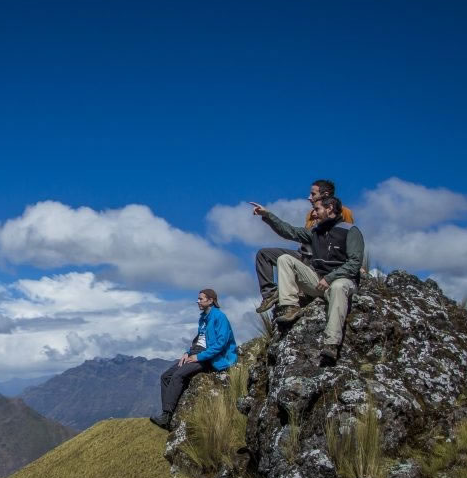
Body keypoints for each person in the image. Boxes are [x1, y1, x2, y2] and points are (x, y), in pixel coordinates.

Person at [249, 195, 364, 364]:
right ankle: (290, 307)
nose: (314, 214)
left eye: (317, 210)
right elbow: (288, 231)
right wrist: (267, 215)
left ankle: (331, 344)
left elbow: (355, 263)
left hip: (343, 280)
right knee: (285, 259)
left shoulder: (350, 230)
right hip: (318, 280)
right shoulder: (315, 232)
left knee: (338, 287)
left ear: (330, 208)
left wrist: (331, 277)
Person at [255, 179, 356, 314]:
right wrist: (267, 215)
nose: (309, 197)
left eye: (313, 194)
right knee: (264, 254)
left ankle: (295, 295)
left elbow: (348, 241)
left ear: (325, 194)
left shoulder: (344, 212)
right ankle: (271, 295)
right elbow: (295, 232)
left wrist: (357, 266)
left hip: (318, 260)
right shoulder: (311, 214)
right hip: (302, 254)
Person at [150, 288, 238, 430]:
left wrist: (199, 357)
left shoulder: (219, 317)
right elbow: (199, 340)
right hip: (197, 352)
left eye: (201, 299)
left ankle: (167, 416)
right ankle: (166, 414)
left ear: (211, 300)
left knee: (178, 375)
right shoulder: (203, 318)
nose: (198, 301)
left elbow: (221, 343)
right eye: (198, 299)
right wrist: (187, 352)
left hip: (210, 356)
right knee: (165, 376)